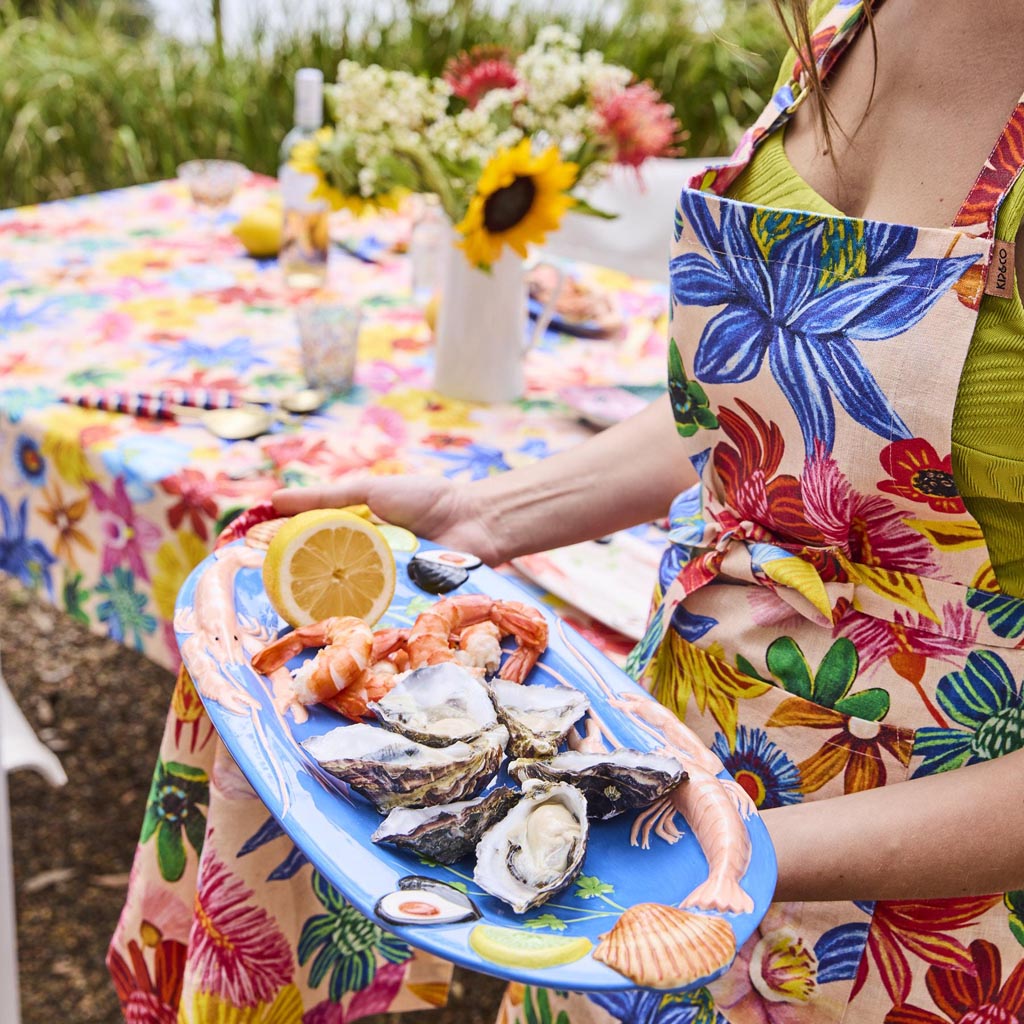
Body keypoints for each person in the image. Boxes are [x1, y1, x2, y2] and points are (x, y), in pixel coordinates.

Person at [273, 1, 1024, 1022]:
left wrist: (738, 852)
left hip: (922, 916)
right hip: (666, 775)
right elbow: (770, 409)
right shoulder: (852, 24)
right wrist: (480, 512)